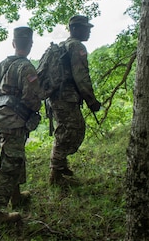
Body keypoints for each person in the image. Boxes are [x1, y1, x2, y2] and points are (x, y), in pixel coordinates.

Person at [0, 26, 42, 225]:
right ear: (30, 45)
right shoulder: (27, 68)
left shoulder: (2, 64)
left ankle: (16, 196)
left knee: (14, 158)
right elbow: (32, 98)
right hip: (14, 121)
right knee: (9, 165)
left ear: (13, 44)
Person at [48, 15, 101, 186]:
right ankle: (55, 173)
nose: (90, 32)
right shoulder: (77, 46)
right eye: (87, 28)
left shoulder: (62, 46)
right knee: (73, 130)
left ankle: (60, 166)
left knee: (64, 130)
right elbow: (81, 77)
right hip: (66, 98)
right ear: (76, 29)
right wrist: (91, 100)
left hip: (56, 97)